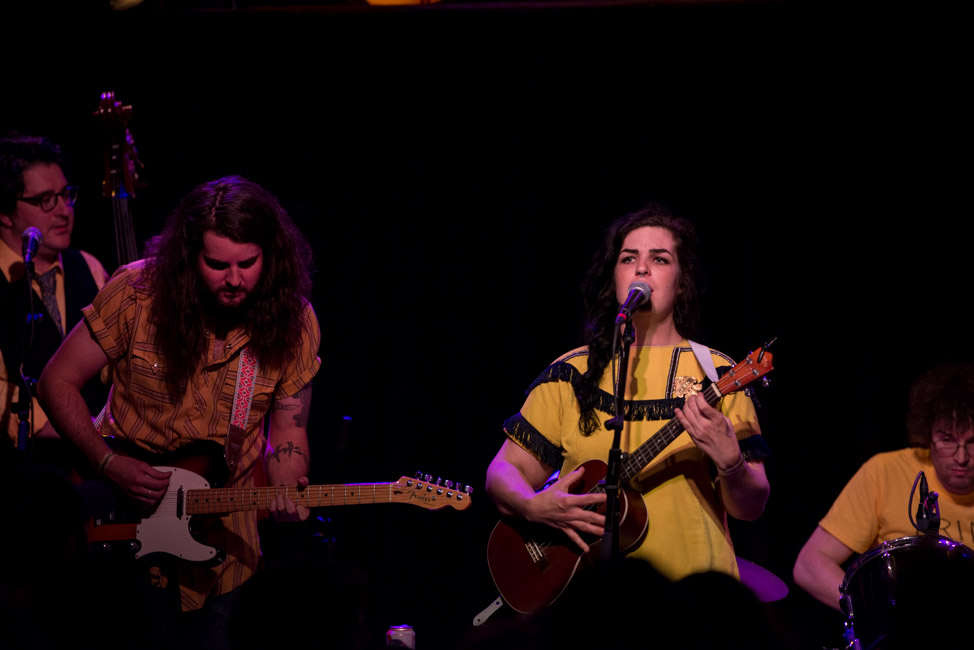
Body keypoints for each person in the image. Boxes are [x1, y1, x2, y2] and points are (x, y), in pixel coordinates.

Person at [37, 175, 321, 649]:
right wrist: (106, 462)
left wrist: (288, 487)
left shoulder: (294, 321)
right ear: (189, 256)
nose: (234, 280)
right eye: (216, 265)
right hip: (120, 535)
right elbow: (55, 381)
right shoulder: (135, 292)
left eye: (248, 264)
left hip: (225, 553)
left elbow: (290, 429)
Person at [485, 202, 771, 589]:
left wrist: (732, 463)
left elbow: (751, 508)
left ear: (682, 281)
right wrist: (535, 506)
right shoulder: (573, 373)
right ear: (615, 277)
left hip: (694, 595)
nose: (641, 268)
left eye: (660, 259)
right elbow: (503, 472)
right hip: (591, 595)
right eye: (628, 258)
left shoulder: (716, 373)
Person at [793, 361, 974, 616]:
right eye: (947, 440)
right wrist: (873, 614)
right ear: (928, 434)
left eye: (972, 442)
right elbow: (810, 564)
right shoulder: (884, 472)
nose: (962, 457)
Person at [0, 132, 110, 453]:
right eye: (45, 200)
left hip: (95, 457)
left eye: (65, 195)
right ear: (5, 213)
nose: (64, 211)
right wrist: (82, 434)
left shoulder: (88, 266)